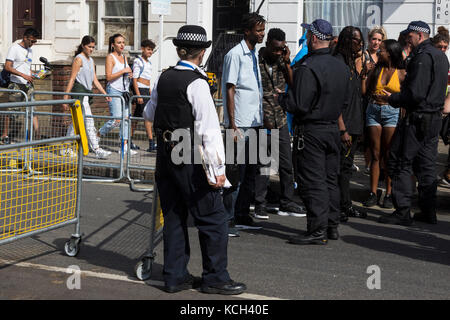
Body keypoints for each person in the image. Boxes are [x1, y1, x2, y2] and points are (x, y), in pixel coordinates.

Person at [143, 25, 246, 295]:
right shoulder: (197, 83)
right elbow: (209, 132)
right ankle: (215, 278)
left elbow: (148, 112)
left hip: (166, 157)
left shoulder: (164, 77)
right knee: (213, 219)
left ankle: (175, 277)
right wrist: (218, 171)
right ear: (202, 52)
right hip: (190, 153)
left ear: (180, 49)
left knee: (175, 217)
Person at [279, 19, 351, 244]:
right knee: (331, 180)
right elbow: (346, 101)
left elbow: (299, 104)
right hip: (332, 129)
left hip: (312, 131)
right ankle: (331, 226)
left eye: (308, 35)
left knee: (313, 181)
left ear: (314, 38)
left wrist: (282, 98)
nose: (307, 39)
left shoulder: (308, 67)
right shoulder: (341, 66)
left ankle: (317, 230)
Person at [375, 21, 449, 225]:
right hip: (433, 118)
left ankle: (402, 211)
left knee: (400, 161)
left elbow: (415, 93)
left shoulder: (423, 57)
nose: (408, 40)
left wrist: (391, 98)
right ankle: (428, 211)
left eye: (410, 36)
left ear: (419, 35)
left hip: (418, 118)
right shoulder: (440, 56)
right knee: (426, 166)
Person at [253, 28, 305, 220]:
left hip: (280, 118)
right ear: (267, 45)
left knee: (286, 163)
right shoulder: (256, 60)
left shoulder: (282, 60)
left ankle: (287, 202)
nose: (277, 53)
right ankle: (260, 204)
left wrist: (287, 62)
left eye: (281, 49)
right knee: (264, 164)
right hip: (262, 118)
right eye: (275, 49)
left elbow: (293, 84)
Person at [222, 12, 265, 234]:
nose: (262, 34)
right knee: (234, 173)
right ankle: (227, 219)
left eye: (263, 29)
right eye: (258, 30)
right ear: (247, 31)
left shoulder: (254, 54)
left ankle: (241, 215)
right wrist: (232, 123)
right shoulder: (235, 55)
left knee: (250, 172)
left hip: (255, 121)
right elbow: (230, 88)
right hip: (239, 124)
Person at [362, 40, 406, 209]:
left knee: (388, 155)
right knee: (375, 154)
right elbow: (364, 91)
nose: (379, 52)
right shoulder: (376, 70)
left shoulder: (402, 73)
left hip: (392, 112)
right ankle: (373, 192)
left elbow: (406, 96)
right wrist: (364, 75)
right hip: (374, 110)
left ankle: (389, 193)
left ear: (390, 52)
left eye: (382, 50)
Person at [332, 26, 367, 221]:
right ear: (347, 41)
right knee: (339, 169)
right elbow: (336, 101)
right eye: (357, 41)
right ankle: (339, 207)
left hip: (353, 126)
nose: (360, 45)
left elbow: (357, 97)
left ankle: (345, 205)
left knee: (346, 169)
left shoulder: (352, 64)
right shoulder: (339, 64)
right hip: (342, 128)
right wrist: (342, 129)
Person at [62, 36, 111, 159]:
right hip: (79, 93)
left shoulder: (91, 60)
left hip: (86, 95)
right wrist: (65, 97)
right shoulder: (79, 59)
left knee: (76, 122)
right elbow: (72, 78)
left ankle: (66, 148)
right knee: (88, 122)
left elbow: (95, 79)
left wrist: (104, 93)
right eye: (89, 46)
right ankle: (96, 149)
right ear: (83, 45)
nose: (91, 49)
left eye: (93, 47)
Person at [98, 34, 137, 155]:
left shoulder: (124, 57)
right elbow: (108, 77)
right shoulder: (110, 57)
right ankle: (98, 134)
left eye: (123, 43)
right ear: (113, 45)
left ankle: (124, 146)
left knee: (126, 119)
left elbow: (126, 73)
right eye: (119, 43)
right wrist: (123, 71)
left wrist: (129, 75)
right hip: (114, 90)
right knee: (116, 120)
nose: (122, 45)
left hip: (124, 91)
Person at [2, 28, 40, 144]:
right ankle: (5, 136)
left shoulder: (30, 51)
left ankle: (37, 138)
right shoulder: (14, 48)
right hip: (16, 83)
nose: (33, 44)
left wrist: (34, 74)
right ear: (25, 37)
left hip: (27, 84)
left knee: (33, 109)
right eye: (32, 41)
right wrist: (23, 75)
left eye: (35, 42)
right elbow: (7, 67)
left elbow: (26, 66)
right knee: (12, 111)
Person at [360, 26, 387, 174]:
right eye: (374, 39)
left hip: (381, 99)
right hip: (365, 98)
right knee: (368, 135)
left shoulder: (384, 56)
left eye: (379, 40)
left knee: (381, 137)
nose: (376, 42)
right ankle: (368, 164)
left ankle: (379, 165)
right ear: (369, 40)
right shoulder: (363, 55)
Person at [431, 26, 450, 187]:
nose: (443, 50)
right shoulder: (431, 58)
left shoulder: (444, 60)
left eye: (445, 47)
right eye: (440, 47)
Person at [131, 39, 156, 152]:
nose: (150, 52)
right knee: (147, 117)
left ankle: (128, 140)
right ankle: (151, 143)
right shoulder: (138, 61)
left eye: (152, 50)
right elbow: (135, 79)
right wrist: (138, 95)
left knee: (136, 117)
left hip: (146, 90)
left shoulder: (149, 63)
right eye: (148, 49)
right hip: (140, 90)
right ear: (143, 49)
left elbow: (148, 79)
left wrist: (150, 91)